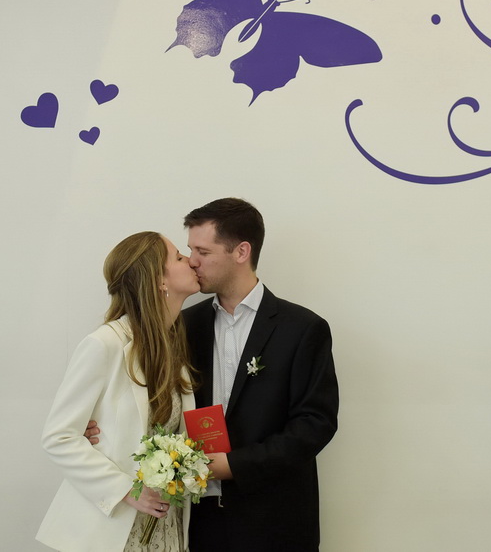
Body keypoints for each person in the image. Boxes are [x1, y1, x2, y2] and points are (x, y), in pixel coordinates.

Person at [88, 199, 339, 551]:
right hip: (195, 519)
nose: (192, 261)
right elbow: (152, 402)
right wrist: (99, 426)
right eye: (189, 250)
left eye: (202, 251)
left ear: (241, 252)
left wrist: (233, 465)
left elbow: (315, 425)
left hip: (274, 518)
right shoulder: (183, 325)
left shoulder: (302, 328)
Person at [37, 232, 200, 552]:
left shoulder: (173, 347)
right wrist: (128, 490)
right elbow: (58, 437)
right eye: (179, 257)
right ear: (159, 280)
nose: (190, 261)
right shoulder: (105, 344)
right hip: (112, 529)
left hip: (167, 528)